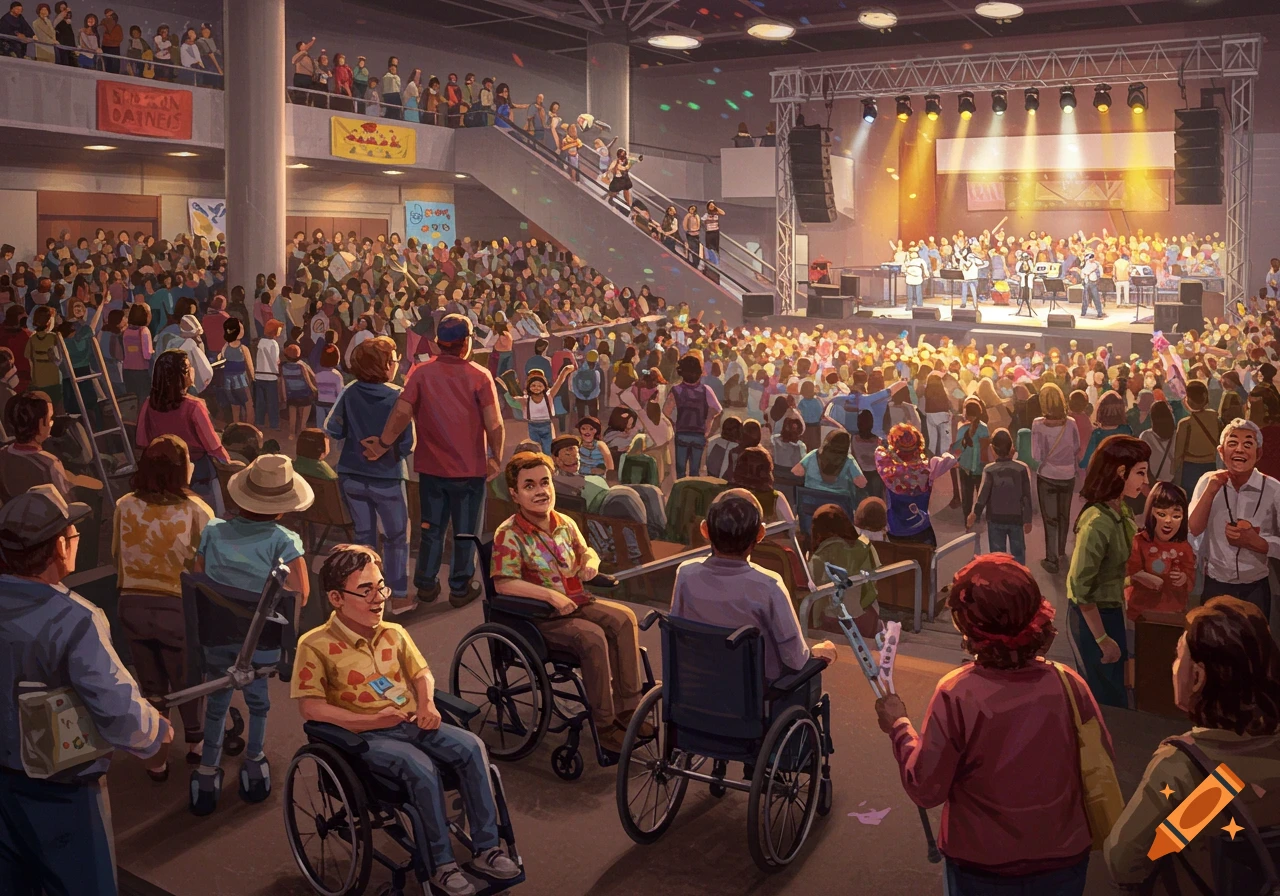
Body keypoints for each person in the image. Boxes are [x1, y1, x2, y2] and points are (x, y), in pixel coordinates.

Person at [875, 555, 1111, 896]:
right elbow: (1102, 756)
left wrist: (899, 727)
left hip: (981, 864)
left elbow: (926, 788)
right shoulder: (1070, 684)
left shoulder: (957, 693)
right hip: (1063, 857)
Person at [293, 545, 521, 896]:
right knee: (418, 766)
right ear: (337, 597)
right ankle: (441, 867)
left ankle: (487, 849)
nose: (379, 598)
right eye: (366, 590)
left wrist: (428, 704)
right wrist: (370, 721)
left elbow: (422, 675)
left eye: (381, 587)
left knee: (473, 747)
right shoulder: (315, 645)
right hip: (362, 739)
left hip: (412, 721)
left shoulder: (394, 634)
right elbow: (311, 710)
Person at [0, 485, 172, 896]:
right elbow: (118, 711)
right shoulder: (76, 619)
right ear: (60, 546)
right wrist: (156, 739)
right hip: (64, 792)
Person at [1104, 596, 1280, 893]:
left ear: (1198, 677)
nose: (1173, 667)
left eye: (1178, 656)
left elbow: (1124, 864)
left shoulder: (1186, 768)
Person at [492, 451, 644, 753]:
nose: (540, 492)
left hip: (577, 601)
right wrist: (550, 595)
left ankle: (630, 710)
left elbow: (587, 551)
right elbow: (503, 582)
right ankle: (604, 725)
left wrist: (591, 562)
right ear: (515, 493)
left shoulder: (565, 523)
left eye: (545, 483)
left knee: (625, 618)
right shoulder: (508, 534)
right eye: (530, 486)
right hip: (538, 618)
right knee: (592, 637)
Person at [190, 454, 312, 815]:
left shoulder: (211, 531)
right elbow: (298, 597)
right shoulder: (285, 542)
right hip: (261, 646)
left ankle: (207, 770)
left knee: (216, 704)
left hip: (215, 641)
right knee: (259, 702)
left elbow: (200, 582)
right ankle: (255, 761)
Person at [365, 315, 504, 609]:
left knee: (431, 529)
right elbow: (495, 424)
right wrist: (496, 457)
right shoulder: (480, 376)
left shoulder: (420, 373)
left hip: (431, 469)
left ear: (440, 343)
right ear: (466, 343)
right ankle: (460, 587)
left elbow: (401, 413)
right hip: (470, 470)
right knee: (466, 532)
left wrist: (383, 443)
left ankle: (426, 585)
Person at [112, 435, 214, 779]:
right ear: (182, 470)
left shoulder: (125, 505)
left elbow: (116, 554)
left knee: (152, 686)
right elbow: (204, 569)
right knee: (186, 681)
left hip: (131, 604)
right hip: (176, 607)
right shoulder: (197, 511)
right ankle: (196, 744)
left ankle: (158, 759)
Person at [673, 487, 836, 684]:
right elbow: (795, 660)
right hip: (756, 696)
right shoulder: (769, 585)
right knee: (812, 677)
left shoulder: (686, 574)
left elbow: (677, 633)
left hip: (697, 686)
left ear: (705, 530)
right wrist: (821, 652)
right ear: (760, 534)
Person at [326, 337, 414, 612]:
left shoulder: (350, 391)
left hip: (351, 472)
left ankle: (364, 593)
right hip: (387, 475)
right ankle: (397, 594)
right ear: (387, 365)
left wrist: (359, 437)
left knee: (363, 536)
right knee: (396, 536)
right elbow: (408, 443)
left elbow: (333, 428)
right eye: (396, 359)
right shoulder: (399, 395)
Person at [1068, 434, 1150, 708]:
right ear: (1120, 472)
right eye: (1140, 473)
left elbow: (1110, 570)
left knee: (1115, 688)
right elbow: (1081, 588)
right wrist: (1102, 639)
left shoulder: (1122, 510)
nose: (1145, 481)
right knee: (1103, 696)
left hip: (1112, 610)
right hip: (1093, 617)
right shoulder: (1096, 522)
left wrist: (1134, 576)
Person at [1187, 418, 1280, 619]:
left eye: (1248, 444)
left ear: (1259, 453)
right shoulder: (1207, 481)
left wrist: (1259, 543)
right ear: (1221, 452)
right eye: (1232, 443)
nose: (1239, 449)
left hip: (1256, 587)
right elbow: (1193, 529)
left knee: (1252, 646)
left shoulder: (1273, 489)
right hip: (1215, 584)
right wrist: (1210, 492)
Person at [135, 350, 229, 510]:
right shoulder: (195, 406)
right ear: (182, 375)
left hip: (162, 472)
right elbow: (213, 446)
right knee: (210, 516)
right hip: (198, 472)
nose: (192, 370)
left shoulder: (149, 404)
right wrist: (228, 462)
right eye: (189, 367)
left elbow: (142, 440)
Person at [1125, 481, 1195, 626]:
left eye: (1176, 516)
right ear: (1151, 513)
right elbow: (1129, 574)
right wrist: (1143, 577)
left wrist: (1184, 578)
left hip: (1173, 617)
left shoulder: (1184, 547)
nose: (1168, 521)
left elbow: (1191, 581)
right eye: (1162, 514)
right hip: (1141, 616)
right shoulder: (1140, 541)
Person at [876, 422, 956, 546]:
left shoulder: (887, 469)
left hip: (895, 531)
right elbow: (950, 459)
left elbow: (879, 450)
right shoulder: (929, 468)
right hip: (922, 528)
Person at [807, 502, 881, 632]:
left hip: (831, 622)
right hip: (864, 620)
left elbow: (817, 596)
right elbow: (874, 584)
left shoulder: (817, 557)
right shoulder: (866, 546)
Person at [1033, 383, 1082, 574]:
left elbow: (1037, 454)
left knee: (1050, 519)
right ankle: (1062, 551)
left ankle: (1051, 558)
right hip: (1068, 474)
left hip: (1047, 475)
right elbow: (1077, 447)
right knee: (1064, 515)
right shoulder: (1070, 423)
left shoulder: (1037, 425)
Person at [966, 428, 1034, 564]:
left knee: (997, 555)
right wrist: (1028, 519)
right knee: (1018, 553)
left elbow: (983, 495)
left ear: (992, 449)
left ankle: (1000, 580)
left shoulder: (989, 470)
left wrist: (975, 514)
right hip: (1016, 518)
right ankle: (1019, 578)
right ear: (1012, 448)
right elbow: (1026, 496)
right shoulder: (1021, 468)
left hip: (995, 519)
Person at [663, 354, 722, 479]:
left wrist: (673, 424)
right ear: (699, 372)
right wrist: (708, 425)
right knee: (695, 472)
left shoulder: (676, 390)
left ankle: (680, 492)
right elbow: (716, 410)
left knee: (680, 472)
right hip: (699, 434)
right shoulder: (706, 390)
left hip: (681, 432)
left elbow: (666, 412)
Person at [1172, 380, 1220, 498]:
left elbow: (1178, 453)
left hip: (1190, 468)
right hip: (1211, 465)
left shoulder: (1185, 424)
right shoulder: (1215, 417)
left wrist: (1173, 472)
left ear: (1188, 400)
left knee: (1191, 501)